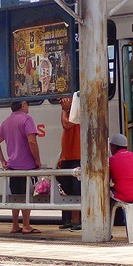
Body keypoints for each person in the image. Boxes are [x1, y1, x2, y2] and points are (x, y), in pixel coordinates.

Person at [0, 100, 42, 234]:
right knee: (26, 196)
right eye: (27, 105)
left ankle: (15, 225)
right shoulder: (27, 119)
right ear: (23, 104)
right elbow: (31, 140)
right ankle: (26, 225)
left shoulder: (7, 121)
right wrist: (37, 160)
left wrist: (3, 160)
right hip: (27, 166)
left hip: (13, 167)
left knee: (15, 196)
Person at [56, 96, 81, 231]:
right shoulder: (71, 113)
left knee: (77, 190)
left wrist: (65, 110)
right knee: (67, 189)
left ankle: (78, 220)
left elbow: (66, 124)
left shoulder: (78, 115)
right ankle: (70, 219)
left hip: (78, 157)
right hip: (67, 157)